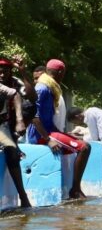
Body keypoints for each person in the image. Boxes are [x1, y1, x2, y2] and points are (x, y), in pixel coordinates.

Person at [28, 59, 91, 199]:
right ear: (61, 72)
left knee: (81, 145)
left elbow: (47, 119)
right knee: (84, 148)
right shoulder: (42, 88)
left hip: (49, 130)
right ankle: (75, 189)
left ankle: (71, 188)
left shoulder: (50, 88)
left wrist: (62, 134)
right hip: (40, 135)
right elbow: (34, 117)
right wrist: (48, 139)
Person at [0, 56, 33, 207]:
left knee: (11, 151)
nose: (1, 75)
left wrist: (20, 120)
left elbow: (23, 95)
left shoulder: (12, 84)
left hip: (4, 123)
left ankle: (23, 196)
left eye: (4, 71)